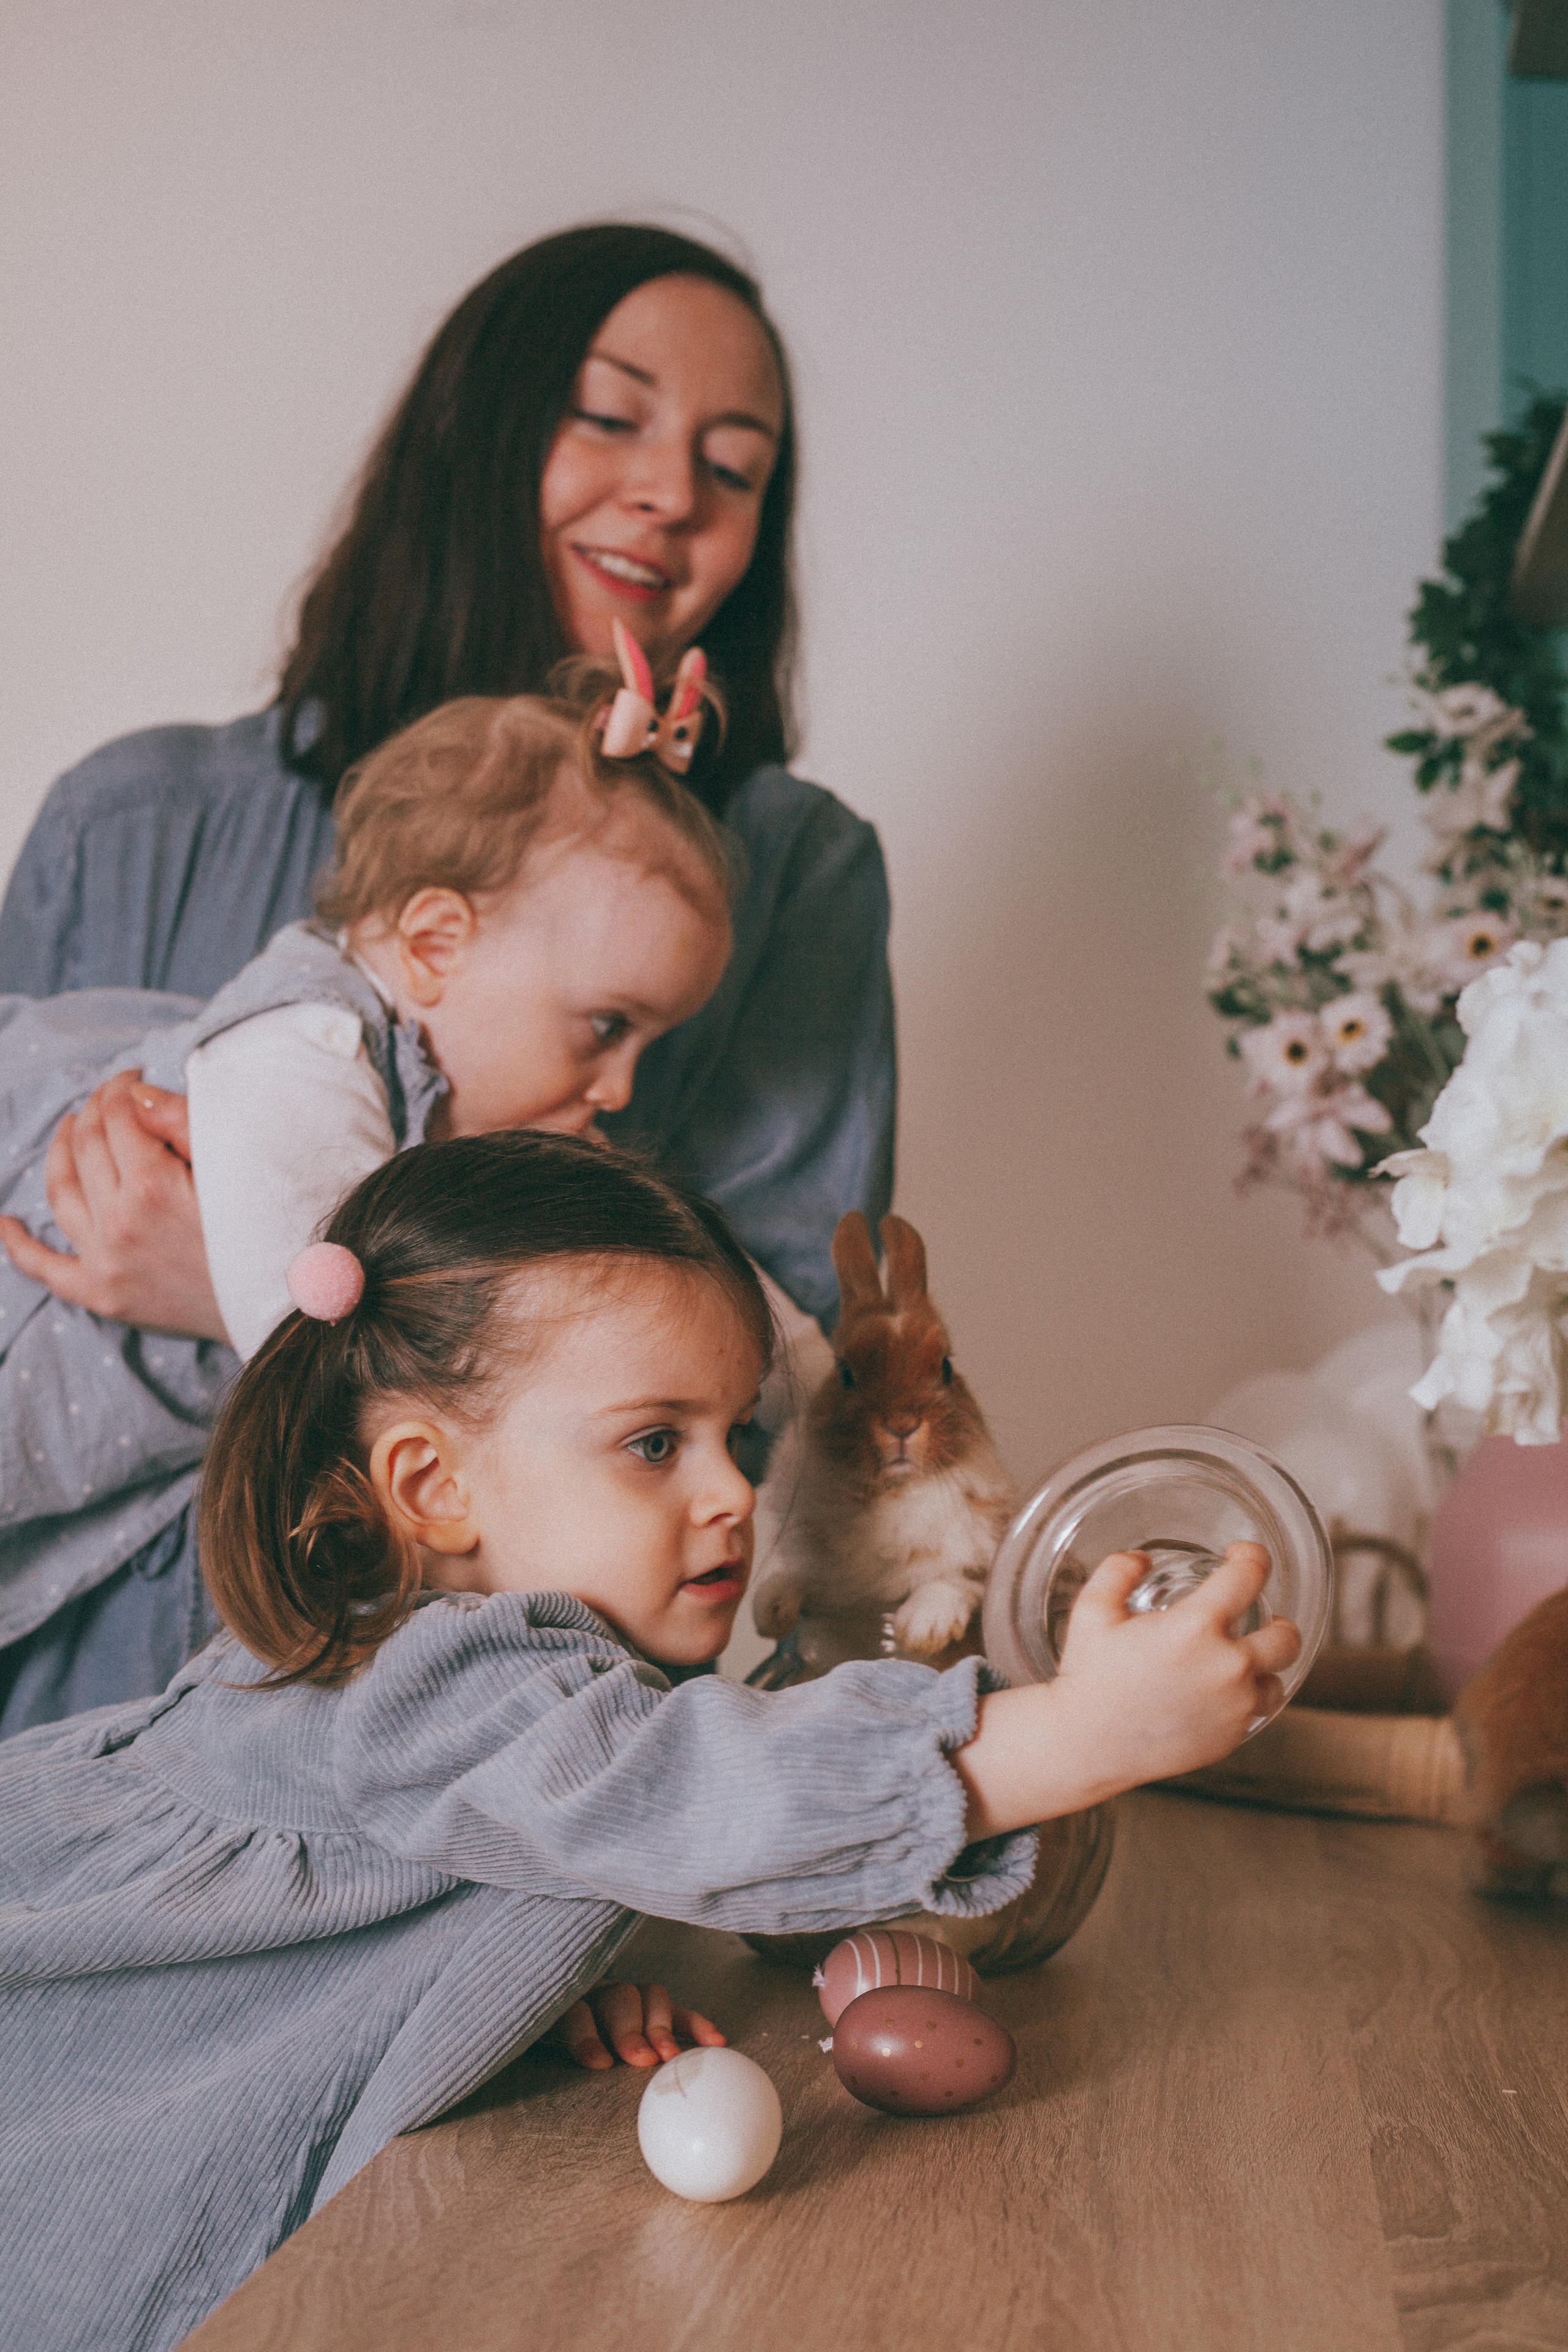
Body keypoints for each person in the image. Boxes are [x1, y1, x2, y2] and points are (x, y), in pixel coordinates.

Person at [0, 1129, 1300, 2352]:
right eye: (653, 1444)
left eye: (734, 1436)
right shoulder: (443, 1679)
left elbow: (498, 1842)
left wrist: (521, 1970)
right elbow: (703, 1792)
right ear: (430, 1488)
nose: (732, 1491)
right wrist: (1084, 1730)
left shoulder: (452, 1672)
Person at [0, 222, 890, 1727]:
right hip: (59, 1730)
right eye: (608, 416)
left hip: (466, 1757)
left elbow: (761, 1393)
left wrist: (223, 1293)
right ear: (473, 441)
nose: (671, 492)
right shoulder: (135, 820)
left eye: (734, 469)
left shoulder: (786, 879)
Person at [0, 676, 736, 1665]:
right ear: (436, 943)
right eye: (607, 1028)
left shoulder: (424, 1100)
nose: (620, 1088)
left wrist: (813, 1359)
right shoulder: (303, 1051)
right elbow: (352, 1360)